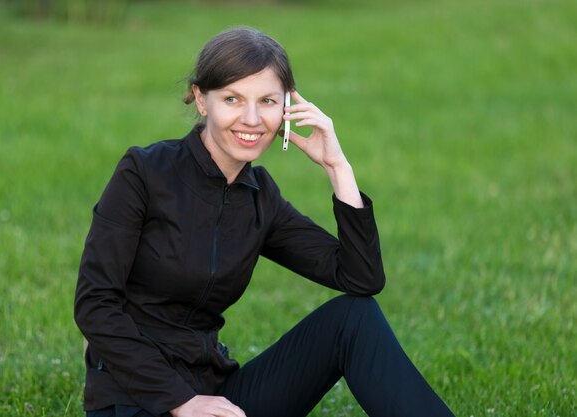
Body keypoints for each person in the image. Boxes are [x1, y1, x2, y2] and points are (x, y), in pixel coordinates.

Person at [74, 27, 455, 417]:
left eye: (268, 101)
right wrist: (181, 401)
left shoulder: (260, 197)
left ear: (287, 107)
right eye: (233, 99)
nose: (252, 119)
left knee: (353, 319)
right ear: (202, 100)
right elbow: (95, 304)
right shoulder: (145, 172)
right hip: (134, 399)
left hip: (216, 397)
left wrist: (338, 168)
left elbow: (361, 279)